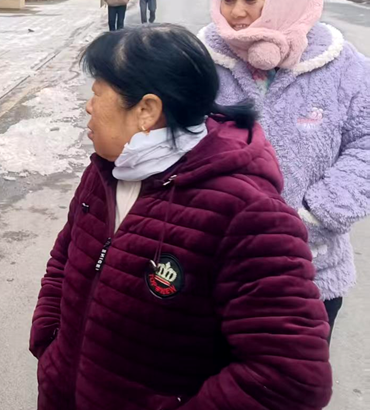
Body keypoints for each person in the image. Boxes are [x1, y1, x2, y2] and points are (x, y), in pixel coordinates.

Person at [31, 24, 333, 410]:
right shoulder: (108, 170)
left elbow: (290, 377)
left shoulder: (247, 213)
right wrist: (50, 344)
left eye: (97, 94)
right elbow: (64, 259)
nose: (88, 108)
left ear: (146, 111)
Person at [199, 0, 370, 339]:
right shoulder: (203, 58)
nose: (237, 13)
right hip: (213, 263)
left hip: (309, 268)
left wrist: (315, 212)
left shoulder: (341, 65)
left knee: (288, 387)